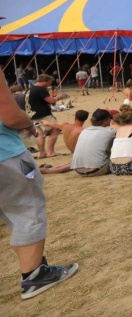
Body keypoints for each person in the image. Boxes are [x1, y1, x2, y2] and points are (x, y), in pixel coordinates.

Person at [0, 71, 79, 299]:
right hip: (7, 156)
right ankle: (35, 275)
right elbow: (11, 117)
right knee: (28, 208)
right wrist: (29, 124)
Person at [27, 74, 69, 159]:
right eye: (49, 82)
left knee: (40, 134)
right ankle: (50, 151)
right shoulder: (40, 89)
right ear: (44, 81)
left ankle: (42, 153)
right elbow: (51, 100)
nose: (49, 84)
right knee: (55, 129)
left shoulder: (29, 89)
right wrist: (60, 97)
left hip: (33, 115)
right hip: (44, 115)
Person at [70, 109, 115, 176]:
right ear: (105, 120)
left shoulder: (85, 130)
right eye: (110, 119)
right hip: (96, 170)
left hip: (78, 170)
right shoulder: (109, 132)